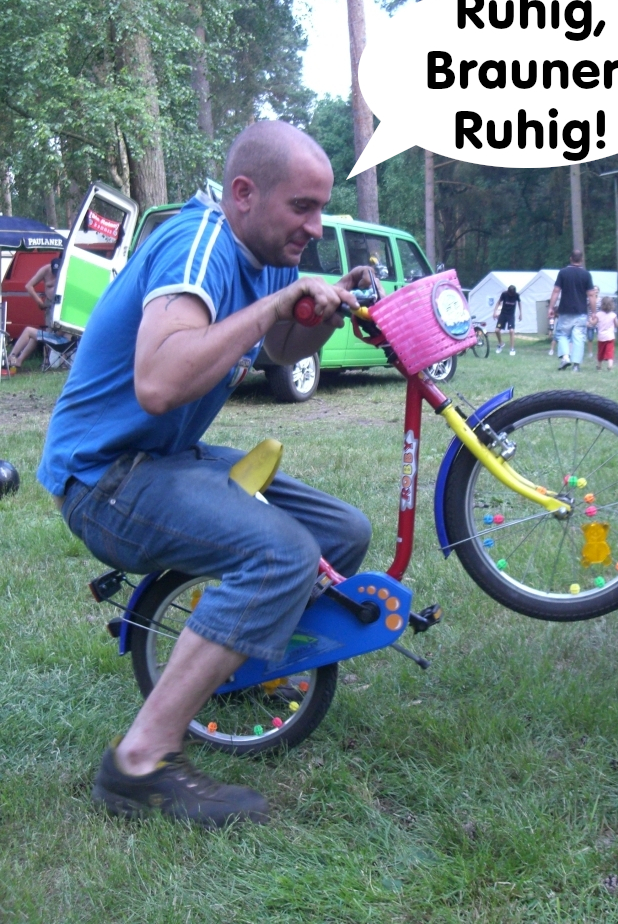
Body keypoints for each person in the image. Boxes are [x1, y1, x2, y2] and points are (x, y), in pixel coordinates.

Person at [37, 121, 374, 827]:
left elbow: (280, 347)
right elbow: (160, 382)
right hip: (104, 477)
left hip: (164, 460)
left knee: (340, 533)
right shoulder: (199, 245)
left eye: (320, 208)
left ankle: (235, 668)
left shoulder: (267, 251)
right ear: (243, 193)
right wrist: (277, 302)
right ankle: (139, 762)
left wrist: (319, 306)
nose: (316, 227)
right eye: (303, 207)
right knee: (282, 554)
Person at [8, 258, 69, 372]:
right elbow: (29, 286)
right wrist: (39, 302)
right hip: (49, 306)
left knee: (32, 332)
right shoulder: (45, 270)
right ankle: (18, 360)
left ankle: (11, 358)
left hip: (59, 335)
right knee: (37, 335)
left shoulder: (67, 309)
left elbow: (61, 332)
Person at [547, 251, 598, 372]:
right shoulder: (586, 274)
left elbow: (556, 291)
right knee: (579, 337)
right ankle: (576, 365)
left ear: (570, 258)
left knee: (562, 334)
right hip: (581, 311)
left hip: (565, 310)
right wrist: (594, 312)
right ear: (582, 260)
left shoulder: (563, 272)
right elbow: (591, 294)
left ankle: (565, 357)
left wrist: (551, 307)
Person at [493, 283, 521, 355]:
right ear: (508, 292)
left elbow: (519, 303)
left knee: (511, 331)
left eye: (512, 294)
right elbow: (498, 302)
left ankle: (512, 349)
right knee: (497, 330)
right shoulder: (504, 294)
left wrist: (520, 313)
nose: (511, 295)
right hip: (503, 314)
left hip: (510, 315)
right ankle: (501, 343)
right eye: (510, 293)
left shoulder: (516, 295)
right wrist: (495, 312)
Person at [595, 296, 618, 370]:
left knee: (601, 351)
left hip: (601, 337)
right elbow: (616, 325)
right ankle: (610, 365)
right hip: (610, 337)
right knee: (610, 351)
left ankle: (599, 365)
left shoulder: (598, 314)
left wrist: (590, 321)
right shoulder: (613, 315)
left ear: (602, 304)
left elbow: (594, 322)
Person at [586, 286, 600, 359]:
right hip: (590, 320)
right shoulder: (588, 299)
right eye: (594, 290)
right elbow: (585, 310)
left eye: (597, 290)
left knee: (600, 337)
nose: (595, 291)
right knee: (590, 338)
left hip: (599, 321)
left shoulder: (601, 300)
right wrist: (587, 321)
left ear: (598, 291)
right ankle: (590, 352)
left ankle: (600, 352)